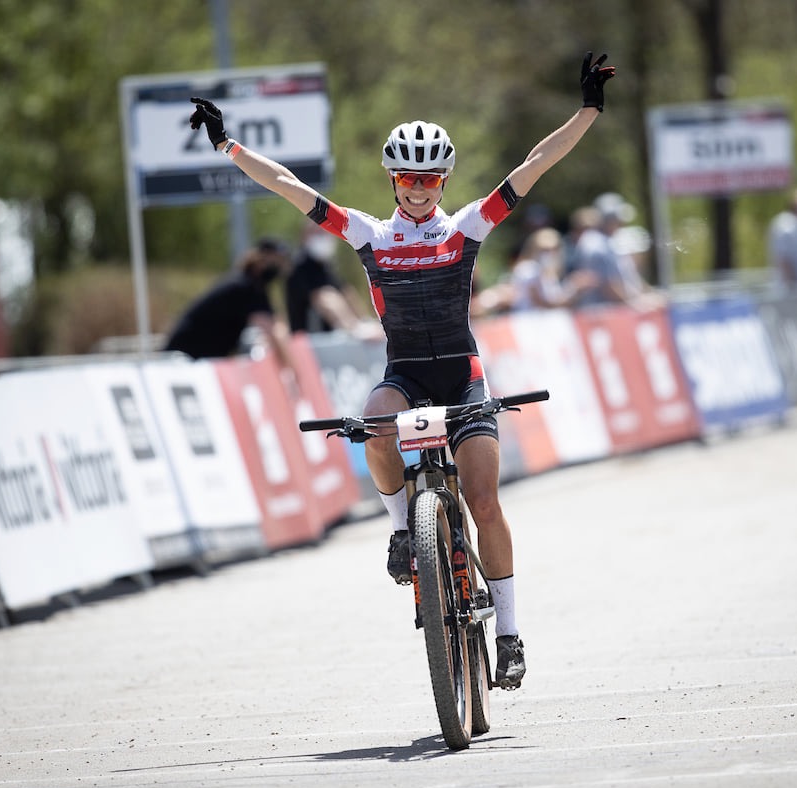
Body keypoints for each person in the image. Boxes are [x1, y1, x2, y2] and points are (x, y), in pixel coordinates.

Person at [187, 50, 617, 690]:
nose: (418, 189)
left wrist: (587, 109)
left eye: (430, 179)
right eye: (408, 179)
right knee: (375, 425)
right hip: (407, 375)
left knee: (482, 500)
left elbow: (536, 165)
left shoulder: (467, 227)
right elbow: (289, 188)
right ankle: (399, 531)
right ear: (393, 180)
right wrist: (228, 145)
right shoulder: (369, 235)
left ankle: (508, 632)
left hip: (463, 377)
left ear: (443, 181)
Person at [162, 238, 297, 380]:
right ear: (261, 258)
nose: (280, 266)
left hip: (198, 362)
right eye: (277, 260)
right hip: (184, 362)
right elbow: (274, 331)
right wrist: (292, 373)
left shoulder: (251, 285)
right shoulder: (245, 286)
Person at [286, 221, 380, 337]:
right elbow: (322, 298)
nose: (323, 237)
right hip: (308, 335)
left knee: (346, 290)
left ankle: (363, 324)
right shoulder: (299, 266)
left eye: (325, 233)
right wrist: (352, 328)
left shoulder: (325, 265)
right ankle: (354, 329)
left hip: (330, 332)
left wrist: (364, 321)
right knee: (327, 295)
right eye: (318, 233)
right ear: (305, 237)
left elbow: (345, 291)